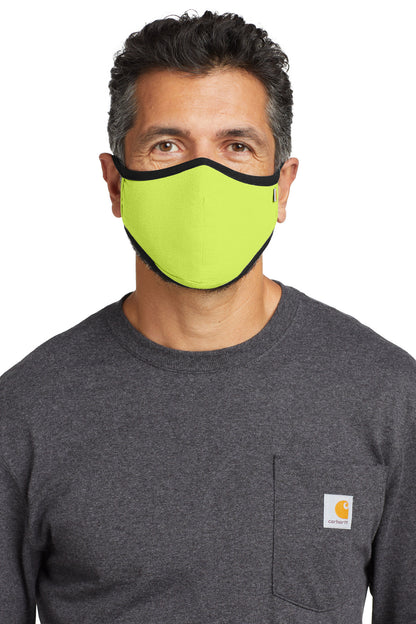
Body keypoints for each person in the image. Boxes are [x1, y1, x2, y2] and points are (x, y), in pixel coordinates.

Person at [0, 10, 415, 624]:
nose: (202, 181)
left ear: (282, 187)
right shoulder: (25, 411)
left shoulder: (387, 396)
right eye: (166, 146)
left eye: (237, 147)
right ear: (115, 184)